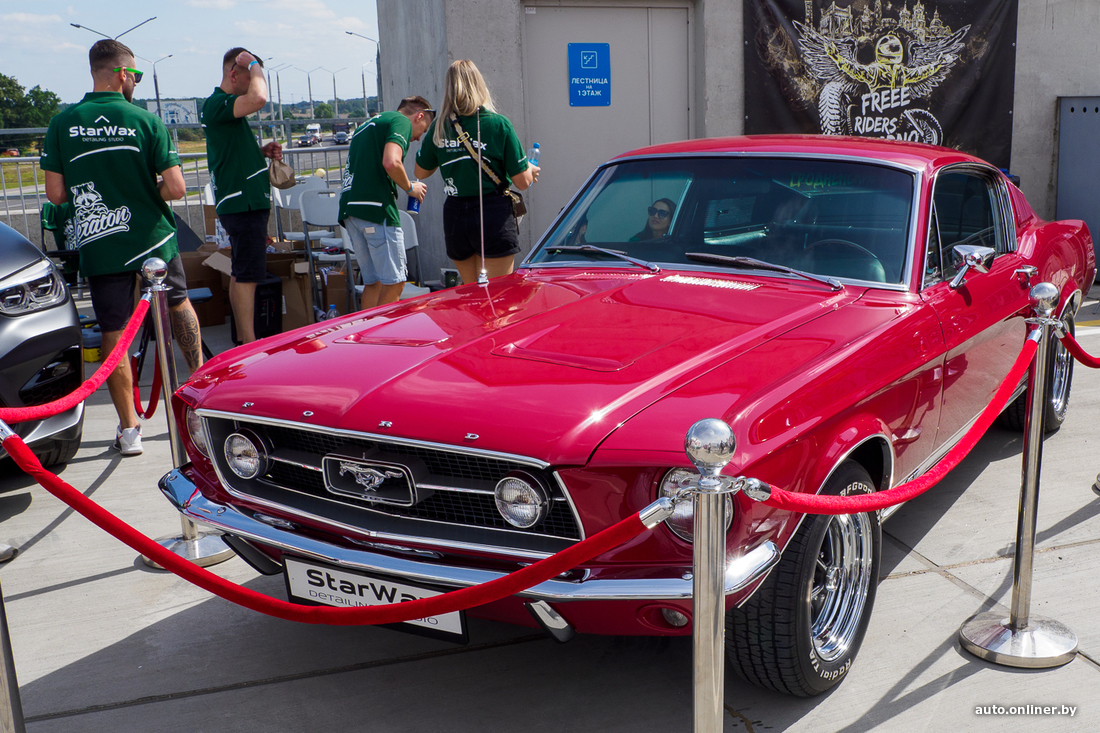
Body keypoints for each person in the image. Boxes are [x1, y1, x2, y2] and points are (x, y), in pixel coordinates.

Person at [43, 39, 203, 457]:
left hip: (102, 242)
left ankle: (130, 428)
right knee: (177, 303)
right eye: (134, 74)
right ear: (120, 73)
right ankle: (203, 396)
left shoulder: (63, 123)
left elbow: (56, 195)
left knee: (114, 329)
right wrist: (140, 192)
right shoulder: (144, 121)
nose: (135, 81)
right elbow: (176, 187)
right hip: (153, 239)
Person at [414, 60, 539, 285]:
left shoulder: (439, 127)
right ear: (479, 85)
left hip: (455, 213)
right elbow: (522, 182)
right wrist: (530, 168)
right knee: (499, 295)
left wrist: (449, 154)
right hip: (492, 212)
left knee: (471, 293)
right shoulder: (499, 125)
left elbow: (421, 172)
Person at [203, 47, 283, 343]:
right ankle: (249, 343)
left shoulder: (224, 109)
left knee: (243, 271)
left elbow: (229, 152)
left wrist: (259, 152)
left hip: (243, 200)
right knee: (248, 275)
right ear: (234, 74)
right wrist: (254, 64)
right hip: (242, 202)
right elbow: (259, 98)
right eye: (250, 78)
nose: (254, 83)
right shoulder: (218, 104)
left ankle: (246, 339)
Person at [338, 96, 434, 309]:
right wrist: (410, 187)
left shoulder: (367, 125)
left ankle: (367, 337)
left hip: (351, 210)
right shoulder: (400, 121)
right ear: (419, 116)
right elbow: (391, 161)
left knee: (374, 283)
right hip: (376, 209)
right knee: (395, 283)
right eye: (423, 131)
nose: (418, 139)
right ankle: (380, 339)